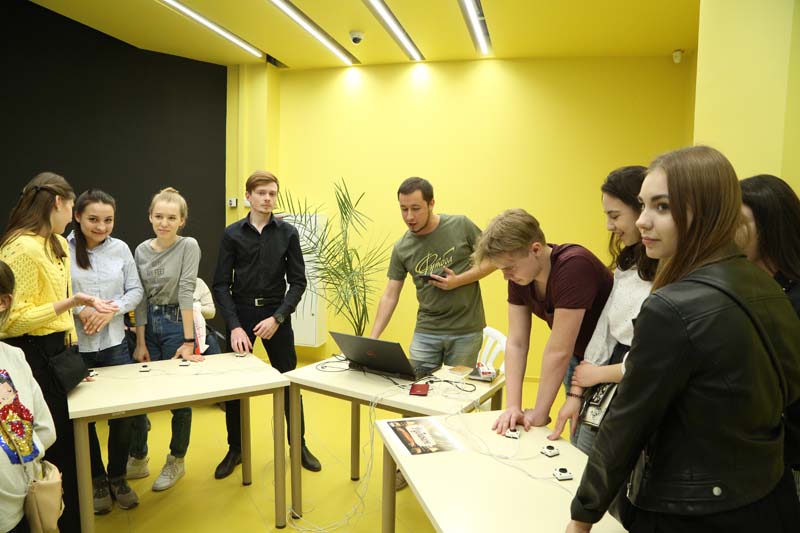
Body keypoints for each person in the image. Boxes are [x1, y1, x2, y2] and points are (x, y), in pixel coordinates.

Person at [567, 146, 800, 532]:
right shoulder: (766, 286)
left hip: (692, 513)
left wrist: (582, 516)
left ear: (705, 210)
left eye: (662, 207)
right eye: (643, 205)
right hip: (769, 497)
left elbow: (627, 424)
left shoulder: (672, 307)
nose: (642, 221)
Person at [0, 172, 118, 532]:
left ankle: (71, 519)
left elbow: (61, 313)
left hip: (58, 357)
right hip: (32, 357)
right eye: (71, 207)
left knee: (69, 450)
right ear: (57, 203)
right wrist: (72, 302)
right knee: (54, 450)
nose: (73, 217)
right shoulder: (20, 248)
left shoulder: (56, 245)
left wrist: (73, 358)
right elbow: (11, 321)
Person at [212, 170, 320, 480]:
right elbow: (220, 284)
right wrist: (234, 326)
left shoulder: (287, 233)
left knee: (289, 382)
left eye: (272, 193)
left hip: (276, 314)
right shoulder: (232, 234)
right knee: (235, 388)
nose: (267, 198)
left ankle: (298, 445)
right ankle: (236, 449)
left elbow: (298, 282)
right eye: (261, 193)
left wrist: (278, 318)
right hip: (241, 314)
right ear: (248, 196)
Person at [473, 209, 612, 439]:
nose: (506, 276)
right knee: (577, 435)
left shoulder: (574, 266)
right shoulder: (520, 278)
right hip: (579, 358)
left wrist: (540, 412)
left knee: (589, 444)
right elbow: (517, 342)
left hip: (608, 363)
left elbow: (559, 349)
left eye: (509, 268)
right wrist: (513, 406)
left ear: (535, 249)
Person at [547, 166, 657, 452]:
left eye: (615, 216)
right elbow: (605, 326)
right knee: (579, 449)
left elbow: (655, 356)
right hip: (608, 369)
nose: (609, 226)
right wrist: (577, 391)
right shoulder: (629, 262)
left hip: (629, 378)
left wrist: (600, 374)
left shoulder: (671, 273)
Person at [68, 189, 143, 513]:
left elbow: (135, 290)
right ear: (77, 216)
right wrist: (81, 310)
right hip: (77, 347)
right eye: (93, 219)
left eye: (108, 220)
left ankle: (117, 477)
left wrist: (110, 310)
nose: (101, 226)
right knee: (84, 419)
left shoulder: (120, 249)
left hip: (114, 345)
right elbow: (57, 292)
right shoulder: (61, 249)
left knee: (122, 415)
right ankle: (96, 479)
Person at [370, 177, 494, 369]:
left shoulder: (461, 225)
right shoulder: (401, 247)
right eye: (403, 209)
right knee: (417, 385)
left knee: (456, 387)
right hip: (426, 331)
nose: (409, 217)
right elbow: (390, 295)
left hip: (466, 331)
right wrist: (373, 338)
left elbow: (494, 259)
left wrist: (458, 280)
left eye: (416, 208)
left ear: (431, 204)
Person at [128, 187, 201, 492]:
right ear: (150, 216)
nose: (164, 223)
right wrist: (140, 342)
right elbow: (140, 297)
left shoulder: (188, 246)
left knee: (179, 399)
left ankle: (176, 459)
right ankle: (138, 456)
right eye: (159, 216)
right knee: (138, 396)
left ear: (182, 220)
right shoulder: (141, 250)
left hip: (176, 323)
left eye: (172, 217)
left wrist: (188, 341)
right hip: (148, 326)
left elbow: (186, 291)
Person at [739, 174, 800, 499]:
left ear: (771, 226)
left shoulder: (792, 297)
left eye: (738, 222)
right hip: (760, 456)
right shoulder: (747, 287)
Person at [0, 260, 56, 533]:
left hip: (17, 510)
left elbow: (45, 430)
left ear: (3, 302)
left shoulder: (15, 358)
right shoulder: (13, 358)